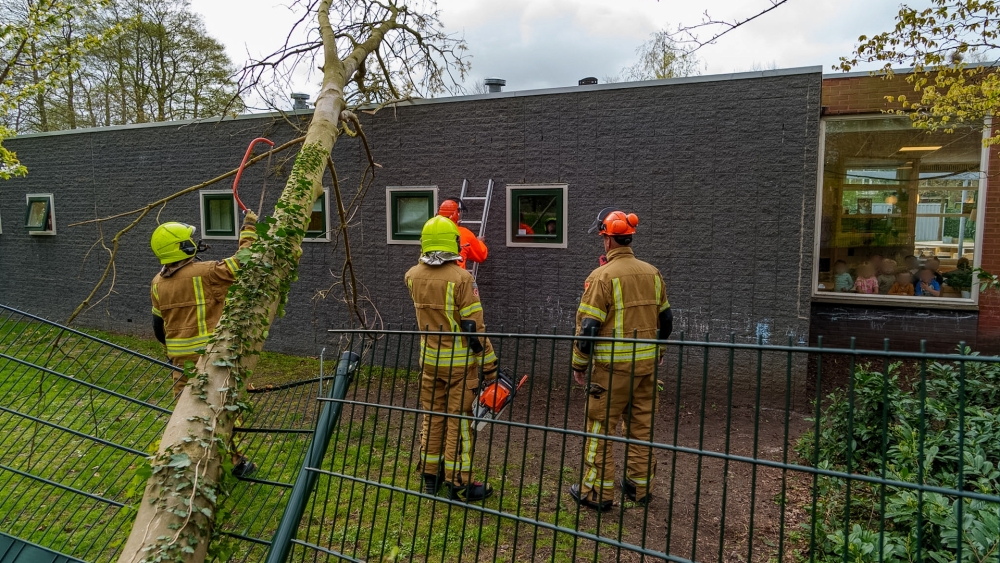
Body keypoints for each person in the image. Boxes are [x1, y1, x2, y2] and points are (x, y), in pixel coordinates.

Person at [570, 209, 672, 511]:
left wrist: (579, 364)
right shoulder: (653, 273)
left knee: (599, 430)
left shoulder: (601, 277)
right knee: (641, 428)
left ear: (608, 240)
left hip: (611, 372)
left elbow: (588, 329)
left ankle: (597, 493)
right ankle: (639, 488)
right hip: (646, 370)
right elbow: (666, 320)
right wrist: (659, 352)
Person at [149, 212, 259, 477]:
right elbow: (245, 261)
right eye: (190, 240)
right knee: (221, 409)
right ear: (183, 247)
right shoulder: (207, 272)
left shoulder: (157, 283)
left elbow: (158, 327)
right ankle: (235, 462)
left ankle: (185, 468)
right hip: (212, 358)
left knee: (186, 414)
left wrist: (176, 350)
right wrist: (249, 228)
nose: (194, 242)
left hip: (180, 364)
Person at [405, 215, 498, 502]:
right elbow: (474, 328)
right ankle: (460, 483)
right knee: (460, 422)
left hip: (429, 363)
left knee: (432, 417)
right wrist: (490, 366)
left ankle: (429, 475)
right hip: (460, 366)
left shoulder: (412, 276)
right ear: (453, 243)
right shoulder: (462, 279)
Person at [438, 198, 487, 270]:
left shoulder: (430, 231)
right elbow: (481, 255)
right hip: (456, 275)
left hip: (433, 274)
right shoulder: (464, 233)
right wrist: (480, 242)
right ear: (456, 214)